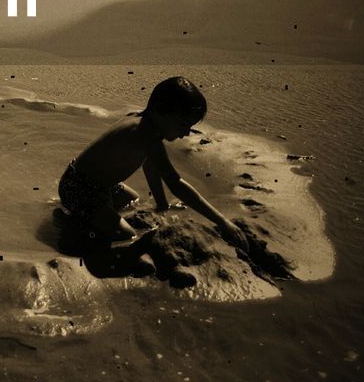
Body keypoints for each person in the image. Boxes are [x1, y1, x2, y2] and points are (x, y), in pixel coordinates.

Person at [55, 76, 243, 257]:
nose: (186, 133)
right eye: (183, 124)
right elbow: (176, 183)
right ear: (160, 111)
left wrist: (162, 205)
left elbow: (151, 168)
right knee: (125, 234)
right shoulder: (145, 136)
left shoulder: (144, 125)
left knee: (132, 200)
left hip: (93, 182)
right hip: (80, 187)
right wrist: (222, 221)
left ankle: (91, 213)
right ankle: (72, 224)